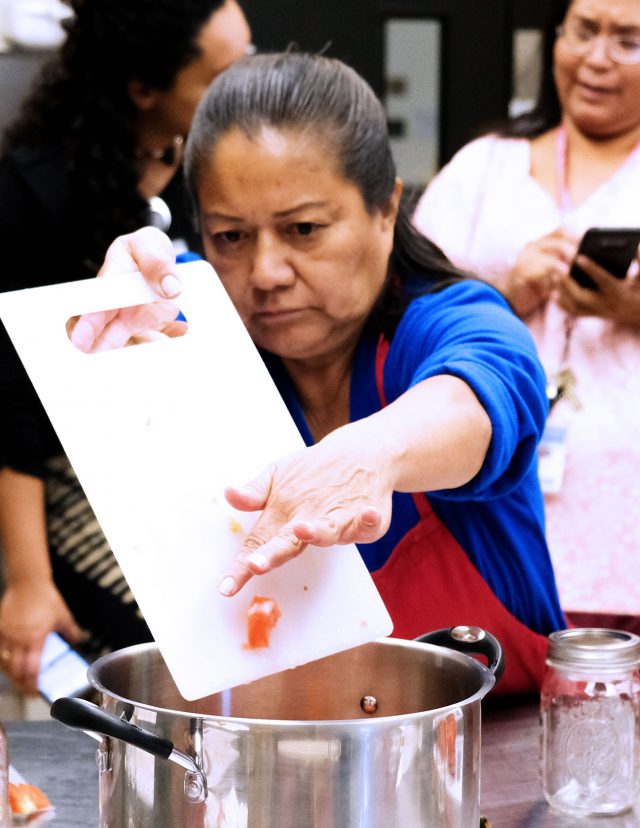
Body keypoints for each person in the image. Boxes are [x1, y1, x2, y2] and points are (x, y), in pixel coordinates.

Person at [66, 51, 567, 696]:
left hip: (491, 756)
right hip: (284, 761)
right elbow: (144, 319)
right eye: (230, 237)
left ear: (386, 210)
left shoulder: (446, 321)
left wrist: (372, 454)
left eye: (303, 228)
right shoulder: (215, 335)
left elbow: (486, 394)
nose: (267, 272)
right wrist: (130, 307)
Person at [0, 0, 251, 693]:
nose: (244, 94)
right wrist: (28, 584)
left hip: (189, 454)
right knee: (174, 642)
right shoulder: (34, 195)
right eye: (220, 80)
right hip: (70, 472)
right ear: (145, 89)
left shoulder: (212, 168)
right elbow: (13, 415)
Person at [413, 0, 640, 635]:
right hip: (495, 506)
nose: (597, 58)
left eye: (629, 41)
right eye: (584, 32)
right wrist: (502, 291)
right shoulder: (483, 166)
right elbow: (403, 311)